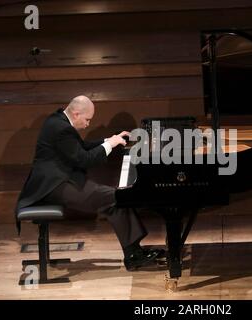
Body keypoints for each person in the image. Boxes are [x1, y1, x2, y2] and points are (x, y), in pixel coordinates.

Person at [16, 95, 161, 270]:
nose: (88, 124)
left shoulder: (58, 119)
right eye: (87, 119)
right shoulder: (62, 128)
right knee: (115, 198)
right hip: (53, 186)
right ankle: (133, 255)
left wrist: (109, 141)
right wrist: (109, 145)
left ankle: (134, 251)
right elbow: (84, 159)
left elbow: (81, 146)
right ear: (76, 114)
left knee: (116, 197)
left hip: (59, 180)